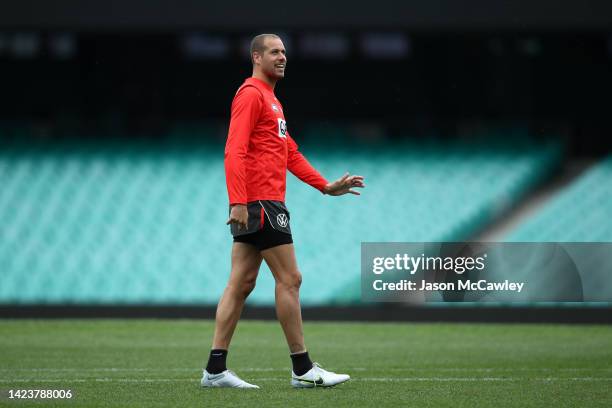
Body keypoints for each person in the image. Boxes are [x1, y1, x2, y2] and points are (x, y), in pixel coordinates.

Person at [201, 33, 365, 389]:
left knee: (241, 283)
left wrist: (324, 185)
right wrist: (238, 201)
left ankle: (215, 369)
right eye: (274, 52)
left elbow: (289, 152)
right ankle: (303, 369)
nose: (282, 57)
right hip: (261, 203)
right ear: (256, 57)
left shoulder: (272, 101)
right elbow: (234, 150)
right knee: (290, 280)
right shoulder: (251, 95)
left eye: (285, 52)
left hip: (259, 202)